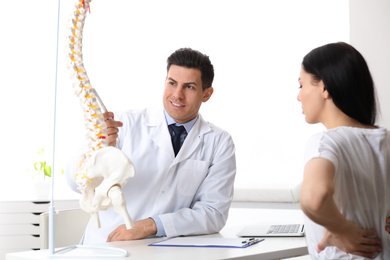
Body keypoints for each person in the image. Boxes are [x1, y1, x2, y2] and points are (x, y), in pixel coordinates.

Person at [66, 47, 236, 244]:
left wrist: (150, 225)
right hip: (106, 245)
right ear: (165, 82)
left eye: (189, 87)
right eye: (172, 83)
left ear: (207, 94)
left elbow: (213, 213)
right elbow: (74, 182)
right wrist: (99, 151)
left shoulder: (219, 142)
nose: (177, 95)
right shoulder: (123, 125)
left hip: (164, 248)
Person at [297, 42, 390, 259]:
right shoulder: (385, 139)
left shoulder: (325, 142)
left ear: (325, 87)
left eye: (301, 85)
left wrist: (342, 229)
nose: (298, 96)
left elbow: (314, 198)